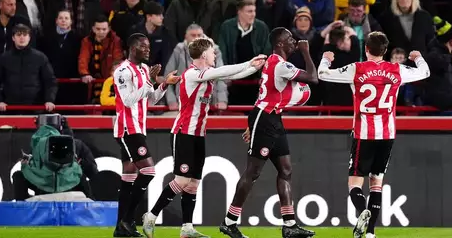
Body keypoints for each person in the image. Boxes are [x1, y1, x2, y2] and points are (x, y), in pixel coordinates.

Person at [142, 38, 266, 238]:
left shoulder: (205, 75)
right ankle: (151, 214)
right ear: (203, 55)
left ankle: (187, 228)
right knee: (181, 180)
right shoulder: (192, 74)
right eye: (212, 52)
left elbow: (232, 73)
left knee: (193, 183)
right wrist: (249, 62)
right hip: (183, 133)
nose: (215, 55)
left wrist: (255, 67)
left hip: (198, 135)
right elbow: (223, 71)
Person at [317, 31, 430, 238]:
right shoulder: (396, 70)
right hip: (387, 134)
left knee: (354, 182)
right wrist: (417, 58)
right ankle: (370, 233)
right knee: (376, 182)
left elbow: (323, 74)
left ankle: (362, 212)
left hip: (364, 133)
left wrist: (326, 58)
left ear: (366, 49)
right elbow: (424, 72)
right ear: (385, 51)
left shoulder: (356, 69)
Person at [220, 28, 318, 238]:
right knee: (252, 172)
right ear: (280, 44)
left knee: (286, 170)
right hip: (265, 118)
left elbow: (265, 94)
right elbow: (313, 77)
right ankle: (229, 222)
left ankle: (289, 225)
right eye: (290, 39)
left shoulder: (276, 64)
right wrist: (306, 52)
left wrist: (251, 123)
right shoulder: (280, 64)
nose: (294, 41)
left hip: (272, 117)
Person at [113, 33, 180, 237]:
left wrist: (164, 84)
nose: (148, 50)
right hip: (127, 128)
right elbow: (128, 100)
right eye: (144, 47)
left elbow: (152, 98)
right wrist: (149, 82)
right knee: (149, 171)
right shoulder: (122, 71)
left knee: (129, 176)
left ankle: (120, 228)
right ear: (133, 48)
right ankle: (127, 219)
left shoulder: (143, 69)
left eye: (149, 46)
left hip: (139, 127)